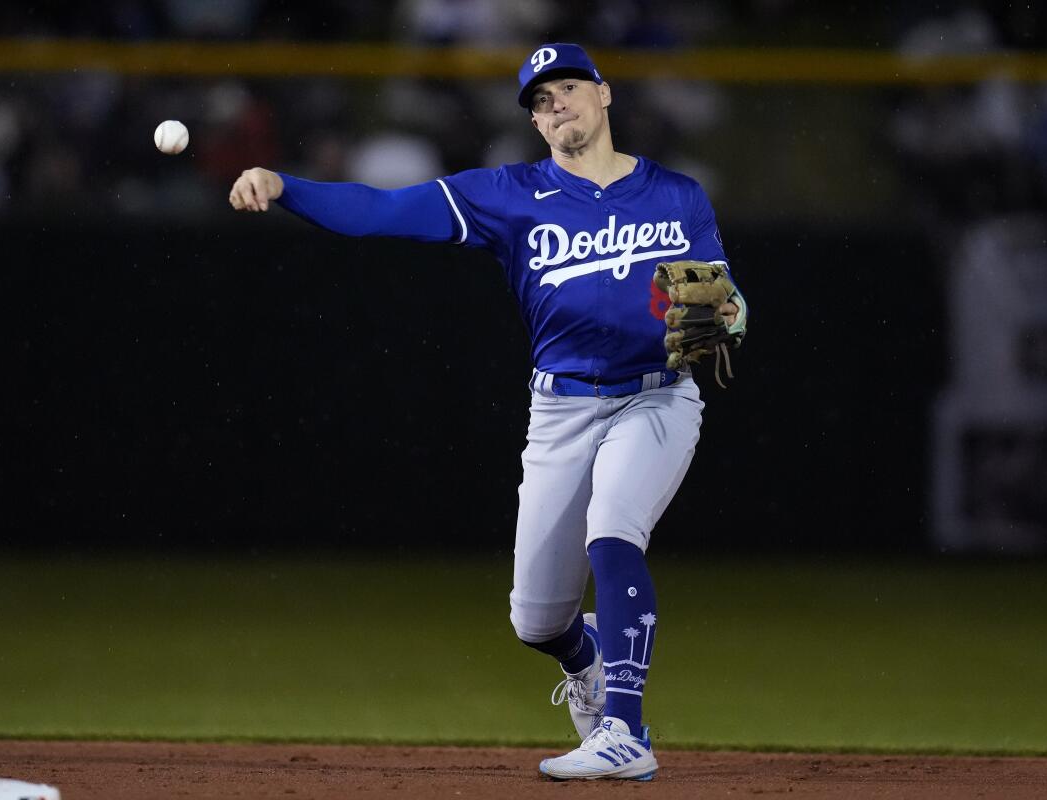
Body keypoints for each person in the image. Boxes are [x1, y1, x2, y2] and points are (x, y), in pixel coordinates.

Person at [228, 42, 747, 781]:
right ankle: (590, 666)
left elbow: (723, 304)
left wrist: (728, 313)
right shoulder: (509, 194)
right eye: (540, 100)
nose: (554, 104)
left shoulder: (676, 194)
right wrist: (285, 185)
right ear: (535, 123)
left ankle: (625, 732)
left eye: (567, 87)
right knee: (536, 620)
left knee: (614, 526)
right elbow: (381, 209)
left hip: (655, 398)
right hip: (561, 410)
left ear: (604, 95)